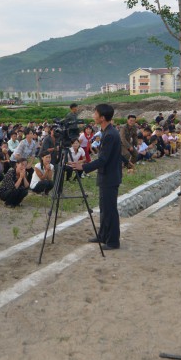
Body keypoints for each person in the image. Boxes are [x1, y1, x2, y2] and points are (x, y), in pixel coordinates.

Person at [69, 103, 122, 250]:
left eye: (95, 113)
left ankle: (112, 241)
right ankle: (103, 235)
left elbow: (103, 159)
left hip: (109, 177)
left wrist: (83, 166)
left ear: (102, 117)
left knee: (110, 210)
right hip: (106, 176)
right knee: (104, 208)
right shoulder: (106, 132)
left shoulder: (110, 134)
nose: (93, 115)